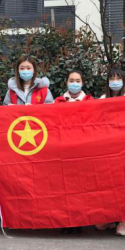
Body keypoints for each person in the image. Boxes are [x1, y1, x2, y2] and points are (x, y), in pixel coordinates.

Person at [96, 68, 125, 236]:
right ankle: (109, 217)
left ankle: (123, 221)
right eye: (112, 78)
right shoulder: (102, 99)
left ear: (124, 80)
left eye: (118, 78)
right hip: (108, 148)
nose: (115, 81)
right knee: (108, 184)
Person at [55, 70, 93, 234]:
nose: (74, 83)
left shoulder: (90, 102)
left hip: (82, 151)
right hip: (63, 151)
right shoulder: (58, 102)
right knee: (64, 188)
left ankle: (78, 221)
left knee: (80, 188)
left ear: (82, 83)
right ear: (66, 82)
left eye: (78, 81)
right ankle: (65, 221)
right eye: (71, 80)